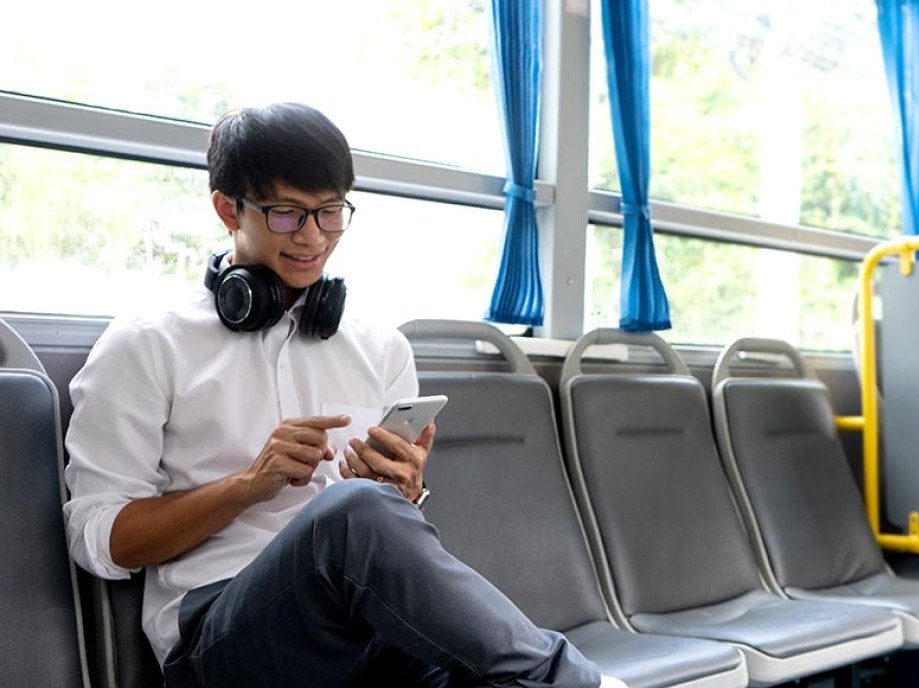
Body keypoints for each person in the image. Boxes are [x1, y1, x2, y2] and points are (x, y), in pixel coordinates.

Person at [63, 103, 604, 687]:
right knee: (353, 513)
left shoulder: (381, 348)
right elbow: (98, 541)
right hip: (222, 641)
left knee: (488, 672)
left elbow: (380, 534)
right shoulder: (147, 342)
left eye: (329, 213)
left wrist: (406, 492)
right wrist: (248, 486)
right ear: (228, 208)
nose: (314, 238)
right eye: (288, 215)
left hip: (369, 636)